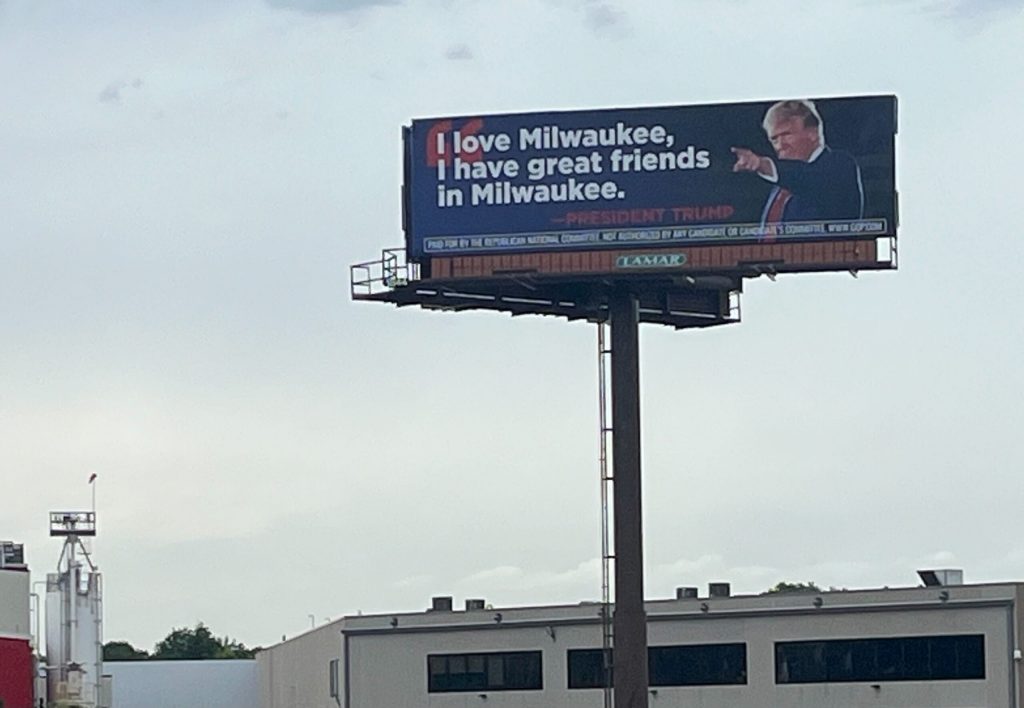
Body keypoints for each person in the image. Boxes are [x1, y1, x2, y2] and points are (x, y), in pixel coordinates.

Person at [731, 99, 863, 226]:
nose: (780, 145)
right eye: (774, 139)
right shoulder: (780, 186)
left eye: (787, 134)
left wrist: (761, 164)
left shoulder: (840, 164)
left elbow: (809, 178)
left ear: (813, 133)